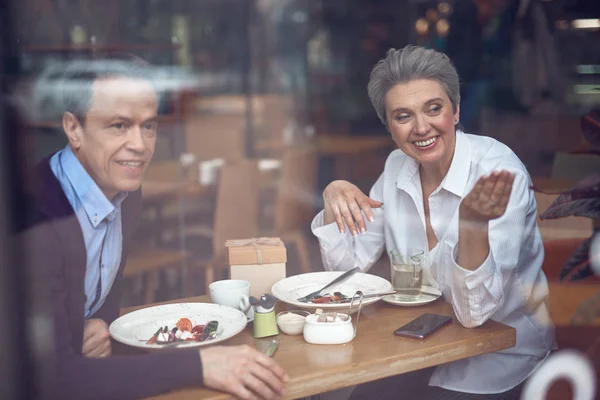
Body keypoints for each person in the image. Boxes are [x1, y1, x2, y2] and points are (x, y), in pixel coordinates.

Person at [20, 54, 288, 400]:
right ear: (73, 128)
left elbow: (92, 307)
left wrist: (95, 323)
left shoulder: (124, 193)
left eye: (148, 126)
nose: (140, 145)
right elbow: (52, 378)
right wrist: (201, 365)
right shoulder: (35, 215)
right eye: (118, 125)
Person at [311, 46, 555, 399]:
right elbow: (348, 272)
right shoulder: (396, 167)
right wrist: (333, 201)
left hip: (499, 357)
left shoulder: (498, 173)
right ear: (389, 127)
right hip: (418, 348)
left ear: (455, 111)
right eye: (403, 116)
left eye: (434, 108)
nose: (422, 127)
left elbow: (475, 315)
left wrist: (472, 225)